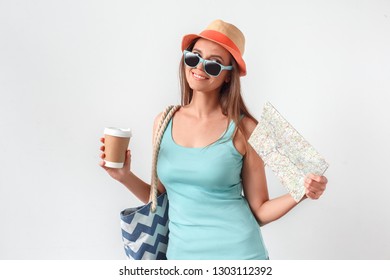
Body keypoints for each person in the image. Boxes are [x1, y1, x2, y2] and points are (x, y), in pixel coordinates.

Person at [99, 19, 328, 260]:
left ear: (229, 77)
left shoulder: (245, 129)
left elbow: (259, 210)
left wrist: (301, 192)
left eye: (214, 65)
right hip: (181, 258)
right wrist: (123, 176)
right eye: (194, 57)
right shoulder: (163, 122)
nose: (199, 67)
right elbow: (161, 197)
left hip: (240, 257)